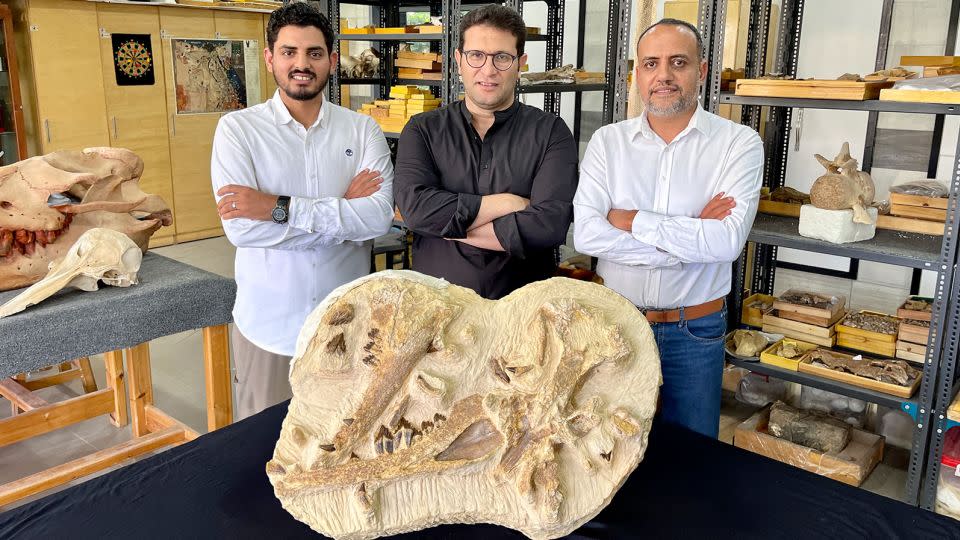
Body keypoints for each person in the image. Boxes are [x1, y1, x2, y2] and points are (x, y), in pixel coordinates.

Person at [573, 18, 763, 438]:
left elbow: (727, 241)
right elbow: (586, 234)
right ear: (636, 73)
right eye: (650, 63)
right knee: (607, 448)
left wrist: (632, 220)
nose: (663, 75)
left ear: (702, 70)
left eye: (678, 62)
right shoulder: (608, 142)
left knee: (691, 458)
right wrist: (690, 234)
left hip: (694, 331)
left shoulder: (739, 143)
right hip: (616, 321)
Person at [211, 3, 394, 420]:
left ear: (331, 60)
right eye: (289, 52)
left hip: (346, 329)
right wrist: (343, 213)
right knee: (263, 449)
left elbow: (378, 218)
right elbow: (241, 230)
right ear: (269, 57)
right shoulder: (238, 131)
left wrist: (278, 208)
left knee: (341, 444)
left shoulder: (361, 129)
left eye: (314, 53)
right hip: (270, 329)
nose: (301, 64)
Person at [393, 4, 578, 300]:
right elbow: (416, 210)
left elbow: (549, 225)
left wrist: (445, 227)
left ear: (520, 64)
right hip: (438, 313)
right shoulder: (422, 130)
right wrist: (508, 203)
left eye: (502, 57)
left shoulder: (550, 132)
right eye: (476, 56)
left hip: (525, 317)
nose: (488, 70)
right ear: (459, 61)